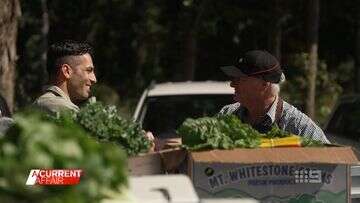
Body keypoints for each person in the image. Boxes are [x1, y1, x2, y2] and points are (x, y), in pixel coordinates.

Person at [219, 50, 330, 144]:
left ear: (264, 84)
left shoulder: (299, 127)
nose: (232, 84)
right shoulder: (226, 114)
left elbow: (330, 161)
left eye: (239, 79)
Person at [34, 40, 97, 114]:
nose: (94, 79)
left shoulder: (45, 103)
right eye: (88, 70)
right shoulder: (59, 107)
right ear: (66, 71)